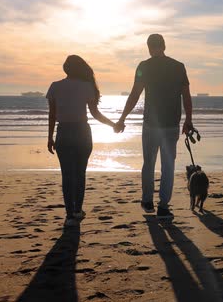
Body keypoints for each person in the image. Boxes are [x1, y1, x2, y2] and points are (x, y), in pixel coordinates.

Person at [114, 34, 193, 219]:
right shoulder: (178, 67)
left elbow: (134, 94)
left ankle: (147, 201)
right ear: (164, 46)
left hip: (151, 124)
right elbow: (186, 96)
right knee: (168, 166)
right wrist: (188, 120)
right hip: (171, 124)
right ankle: (163, 207)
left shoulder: (144, 67)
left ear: (149, 47)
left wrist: (122, 118)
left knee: (148, 164)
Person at [47, 55, 116, 227]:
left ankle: (69, 215)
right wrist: (112, 124)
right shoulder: (86, 86)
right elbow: (95, 114)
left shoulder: (55, 87)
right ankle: (78, 210)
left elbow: (52, 115)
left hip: (63, 132)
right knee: (80, 173)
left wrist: (49, 137)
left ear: (66, 69)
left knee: (67, 175)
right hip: (82, 132)